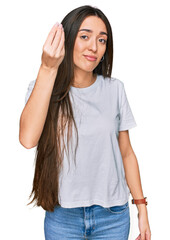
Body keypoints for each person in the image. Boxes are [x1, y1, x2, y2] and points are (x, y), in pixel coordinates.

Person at [19, 5, 151, 240]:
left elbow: (126, 153)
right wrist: (48, 68)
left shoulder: (114, 89)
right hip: (62, 217)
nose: (94, 47)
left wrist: (142, 208)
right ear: (68, 39)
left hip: (113, 217)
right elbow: (28, 139)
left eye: (102, 40)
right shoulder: (43, 86)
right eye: (85, 36)